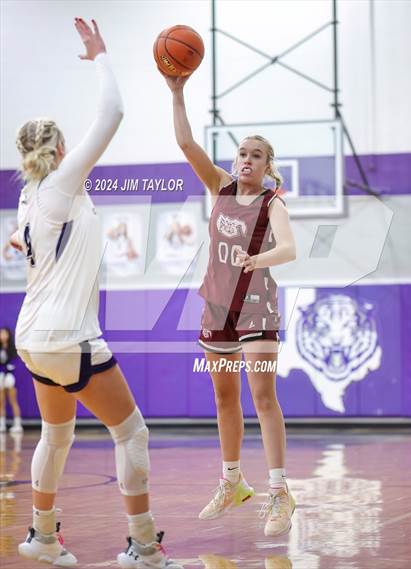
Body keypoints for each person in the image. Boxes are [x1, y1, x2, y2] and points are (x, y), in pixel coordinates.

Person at [11, 18, 183, 569]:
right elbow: (112, 114)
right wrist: (102, 56)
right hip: (67, 335)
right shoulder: (63, 183)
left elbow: (21, 239)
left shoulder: (30, 198)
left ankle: (42, 537)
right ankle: (145, 548)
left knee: (56, 435)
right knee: (132, 432)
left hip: (33, 338)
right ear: (61, 148)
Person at [163, 73, 297, 537]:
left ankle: (279, 491)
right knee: (224, 398)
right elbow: (186, 143)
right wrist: (177, 92)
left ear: (267, 166)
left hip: (258, 305)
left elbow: (289, 249)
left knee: (263, 397)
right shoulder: (219, 186)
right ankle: (233, 482)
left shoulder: (272, 202)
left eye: (256, 155)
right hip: (217, 307)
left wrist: (257, 259)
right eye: (242, 152)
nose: (246, 159)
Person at [0, 327, 23, 433]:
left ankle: (18, 425)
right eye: (1, 334)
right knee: (1, 402)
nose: (3, 336)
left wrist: (9, 371)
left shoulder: (12, 348)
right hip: (1, 376)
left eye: (5, 334)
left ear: (8, 335)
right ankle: (2, 425)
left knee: (13, 400)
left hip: (10, 377)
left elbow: (15, 363)